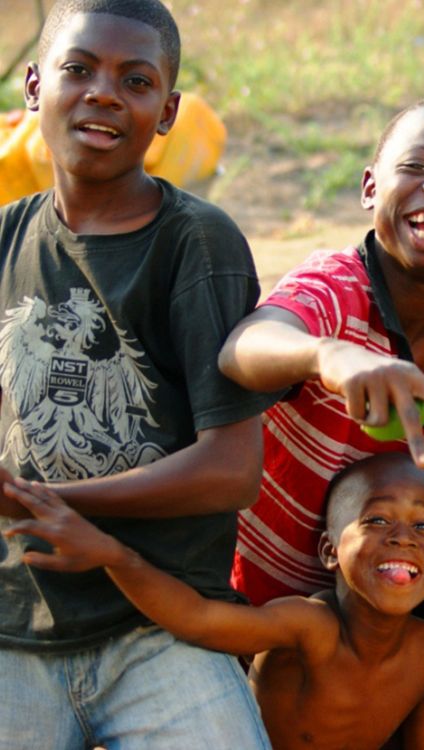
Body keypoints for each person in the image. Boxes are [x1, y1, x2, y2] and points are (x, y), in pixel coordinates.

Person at [0, 0, 276, 747]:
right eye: (78, 70)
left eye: (136, 80)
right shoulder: (7, 237)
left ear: (167, 113)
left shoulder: (196, 243)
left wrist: (47, 504)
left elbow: (232, 471)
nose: (103, 94)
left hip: (158, 620)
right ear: (34, 88)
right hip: (16, 620)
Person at [3, 453, 424, 750]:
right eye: (376, 520)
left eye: (423, 526)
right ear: (329, 552)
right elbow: (199, 620)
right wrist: (112, 554)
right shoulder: (309, 626)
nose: (402, 537)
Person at [218, 94, 424, 606]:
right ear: (369, 187)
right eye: (416, 166)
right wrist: (331, 357)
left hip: (375, 618)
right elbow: (243, 347)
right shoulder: (335, 289)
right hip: (246, 608)